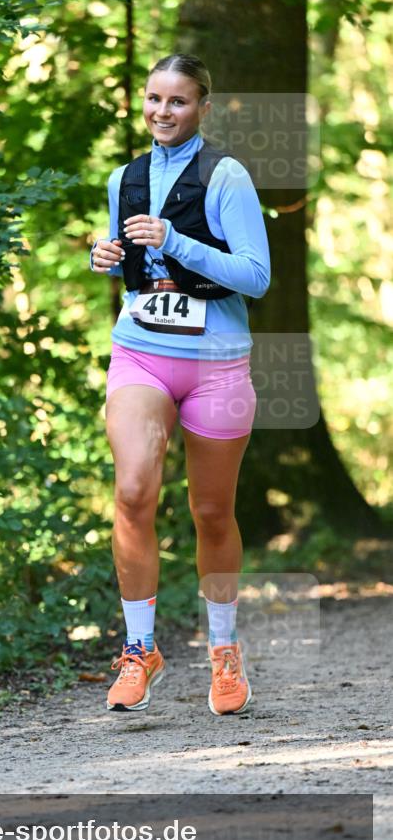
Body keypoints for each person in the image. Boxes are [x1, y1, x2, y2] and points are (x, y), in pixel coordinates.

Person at [90, 52, 271, 715]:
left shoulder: (225, 176)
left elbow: (255, 276)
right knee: (133, 489)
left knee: (209, 512)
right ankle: (140, 649)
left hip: (216, 362)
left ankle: (223, 652)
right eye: (152, 100)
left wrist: (176, 240)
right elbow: (127, 262)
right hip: (140, 352)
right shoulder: (124, 177)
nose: (161, 113)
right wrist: (102, 255)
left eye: (177, 102)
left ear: (202, 107)